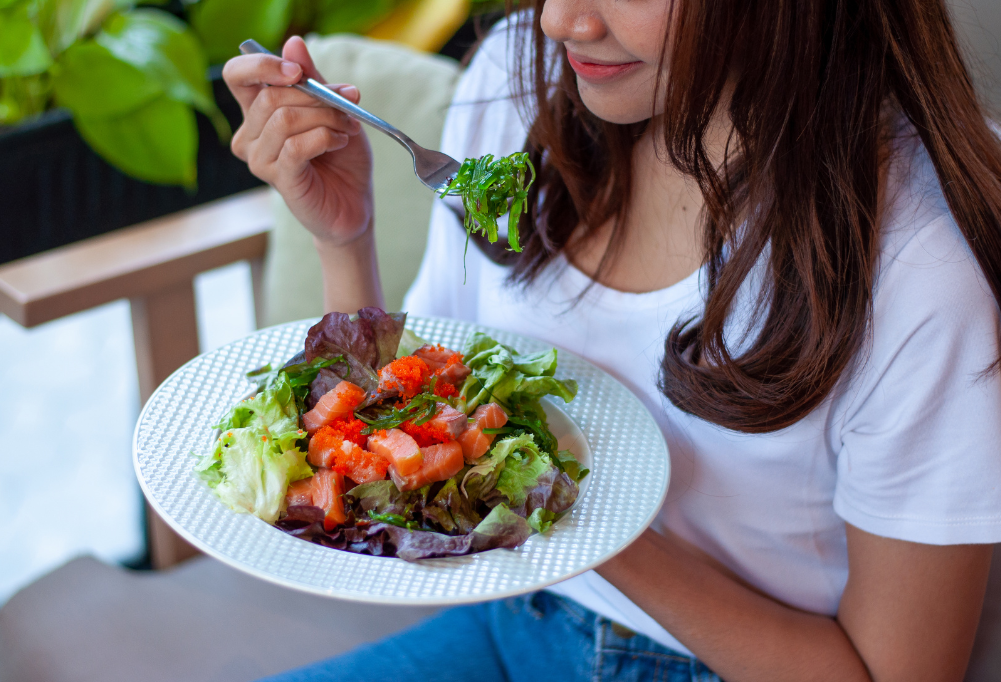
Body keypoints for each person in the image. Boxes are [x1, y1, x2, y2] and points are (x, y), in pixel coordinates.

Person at [221, 1, 1001, 680]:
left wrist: (572, 509)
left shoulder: (915, 274)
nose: (562, 19)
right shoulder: (514, 82)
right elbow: (402, 414)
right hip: (512, 619)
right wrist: (344, 239)